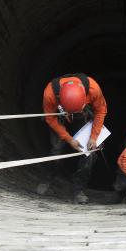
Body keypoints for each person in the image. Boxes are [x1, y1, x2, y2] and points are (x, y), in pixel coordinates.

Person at [37, 73, 107, 204]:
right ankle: (47, 180)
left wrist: (93, 137)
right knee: (56, 148)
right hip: (59, 114)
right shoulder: (50, 94)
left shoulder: (93, 89)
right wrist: (69, 139)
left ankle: (78, 190)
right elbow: (50, 118)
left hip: (84, 114)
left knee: (90, 152)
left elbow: (101, 111)